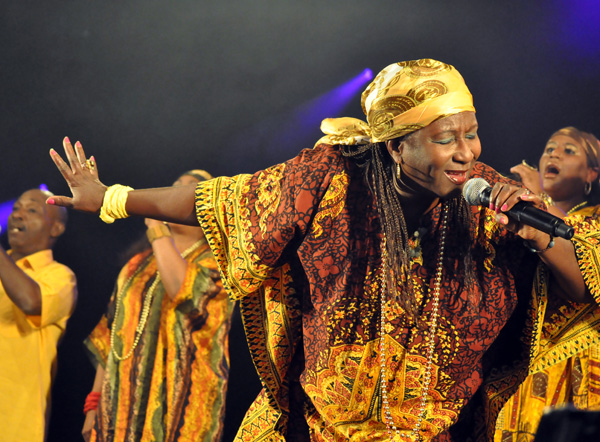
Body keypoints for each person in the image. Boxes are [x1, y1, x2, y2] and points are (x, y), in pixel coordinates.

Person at [47, 59, 590, 441]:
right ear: (398, 147)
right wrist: (111, 197)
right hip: (318, 424)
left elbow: (585, 286)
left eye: (471, 134)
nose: (467, 152)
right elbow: (219, 199)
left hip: (428, 427)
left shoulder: (486, 198)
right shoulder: (331, 177)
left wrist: (538, 231)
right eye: (447, 138)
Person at [81, 169, 234, 442]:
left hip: (181, 409)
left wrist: (156, 227)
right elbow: (110, 336)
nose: (176, 192)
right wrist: (93, 406)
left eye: (190, 189)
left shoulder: (219, 265)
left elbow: (184, 291)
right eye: (174, 187)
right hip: (119, 408)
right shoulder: (136, 265)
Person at [494, 127, 600, 441]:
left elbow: (586, 278)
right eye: (549, 148)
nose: (553, 153)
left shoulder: (596, 218)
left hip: (583, 363)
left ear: (591, 174)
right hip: (525, 370)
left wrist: (543, 200)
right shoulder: (521, 213)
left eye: (569, 151)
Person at [0, 188, 77, 442]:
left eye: (31, 210)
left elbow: (30, 301)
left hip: (13, 425)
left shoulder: (60, 277)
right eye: (16, 208)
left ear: (55, 228)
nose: (18, 215)